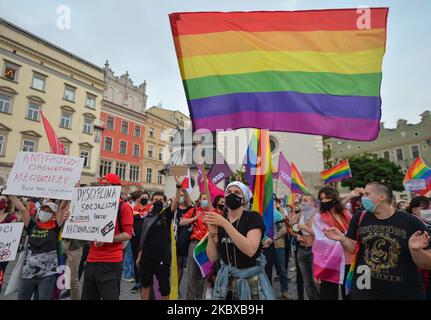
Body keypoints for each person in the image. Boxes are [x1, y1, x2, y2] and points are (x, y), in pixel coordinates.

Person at [324, 182, 431, 300]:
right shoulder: (359, 218)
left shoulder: (411, 222)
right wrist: (342, 239)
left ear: (382, 197)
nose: (363, 198)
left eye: (367, 194)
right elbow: (353, 248)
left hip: (403, 292)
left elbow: (427, 263)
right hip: (364, 289)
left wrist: (415, 250)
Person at [204, 181, 275, 300]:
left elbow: (250, 250)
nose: (232, 194)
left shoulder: (253, 217)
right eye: (229, 192)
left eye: (237, 192)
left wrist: (225, 224)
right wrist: (211, 236)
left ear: (244, 200)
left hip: (251, 282)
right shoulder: (221, 220)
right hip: (226, 282)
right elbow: (213, 257)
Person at [81, 173, 134, 300]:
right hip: (91, 260)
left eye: (106, 185)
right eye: (101, 185)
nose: (102, 187)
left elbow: (128, 234)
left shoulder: (124, 207)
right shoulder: (93, 205)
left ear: (116, 187)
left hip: (111, 261)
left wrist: (107, 239)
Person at [9, 196, 69, 300]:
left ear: (53, 215)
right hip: (28, 273)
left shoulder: (56, 227)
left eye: (49, 211)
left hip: (48, 275)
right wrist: (10, 195)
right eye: (43, 210)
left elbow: (62, 207)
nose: (45, 212)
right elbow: (22, 210)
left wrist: (70, 193)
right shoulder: (32, 226)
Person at [180, 192, 221, 300]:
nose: (205, 201)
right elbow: (182, 222)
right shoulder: (194, 210)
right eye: (203, 198)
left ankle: (199, 298)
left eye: (207, 198)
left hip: (208, 246)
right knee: (192, 275)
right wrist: (194, 218)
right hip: (195, 245)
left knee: (203, 275)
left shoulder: (214, 212)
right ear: (199, 200)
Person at [314, 186, 352, 300]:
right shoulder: (319, 217)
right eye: (322, 198)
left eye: (327, 197)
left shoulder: (346, 214)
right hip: (330, 263)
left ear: (335, 198)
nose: (324, 200)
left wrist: (342, 238)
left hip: (349, 261)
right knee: (328, 295)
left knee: (349, 294)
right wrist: (318, 269)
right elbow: (322, 242)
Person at [136, 191, 175, 300]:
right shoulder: (147, 216)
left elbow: (175, 203)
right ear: (151, 202)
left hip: (162, 257)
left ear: (164, 201)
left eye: (161, 200)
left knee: (164, 287)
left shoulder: (166, 214)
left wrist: (178, 187)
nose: (158, 202)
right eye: (155, 200)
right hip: (147, 257)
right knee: (145, 285)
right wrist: (140, 255)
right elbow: (144, 238)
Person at [291, 194, 319, 300]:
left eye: (306, 200)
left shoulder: (317, 215)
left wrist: (304, 227)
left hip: (314, 251)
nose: (303, 202)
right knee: (307, 283)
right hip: (301, 251)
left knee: (316, 282)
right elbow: (293, 228)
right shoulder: (300, 215)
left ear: (313, 203)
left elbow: (319, 234)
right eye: (302, 200)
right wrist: (297, 235)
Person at [171, 178, 194, 293]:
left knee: (180, 264)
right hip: (173, 238)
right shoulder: (174, 208)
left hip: (184, 239)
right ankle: (171, 284)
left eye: (182, 195)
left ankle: (176, 287)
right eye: (178, 195)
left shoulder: (191, 209)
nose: (180, 197)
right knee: (173, 264)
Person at [130, 191, 151, 293]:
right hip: (135, 239)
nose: (144, 199)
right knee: (135, 260)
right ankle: (138, 282)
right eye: (143, 197)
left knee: (145, 260)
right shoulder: (134, 208)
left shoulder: (151, 208)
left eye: (146, 197)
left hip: (147, 239)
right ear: (139, 198)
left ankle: (145, 282)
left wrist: (139, 214)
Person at [273, 199, 292, 299]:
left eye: (273, 202)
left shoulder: (278, 214)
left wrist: (273, 238)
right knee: (265, 270)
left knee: (281, 269)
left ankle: (285, 291)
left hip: (278, 245)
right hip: (265, 247)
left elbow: (284, 229)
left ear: (276, 204)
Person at [0, 195, 17, 293]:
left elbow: (13, 234)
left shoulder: (11, 217)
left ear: (6, 203)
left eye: (2, 200)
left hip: (3, 250)